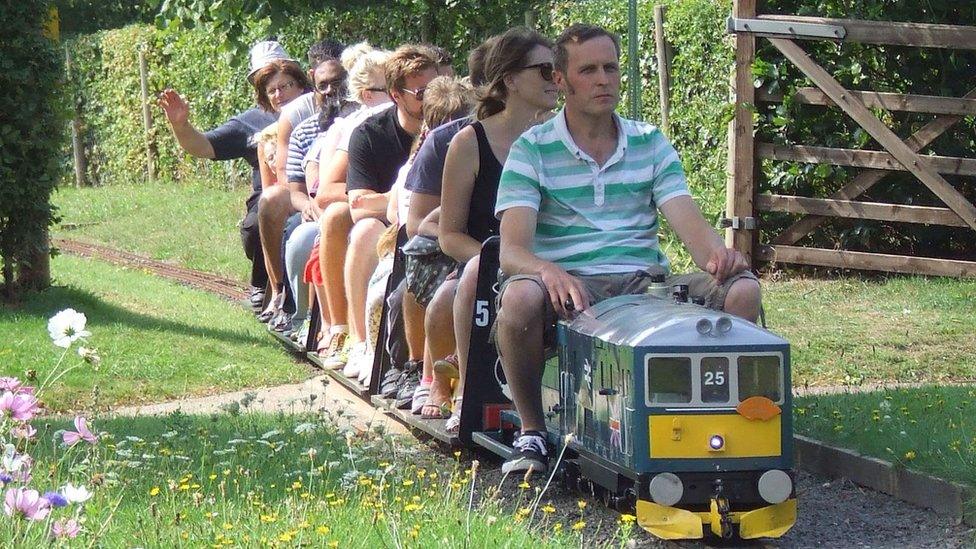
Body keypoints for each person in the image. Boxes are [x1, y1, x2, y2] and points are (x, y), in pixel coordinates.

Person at [494, 24, 761, 475]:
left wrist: (720, 257)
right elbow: (511, 251)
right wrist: (547, 270)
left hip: (644, 285)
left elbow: (692, 230)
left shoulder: (649, 142)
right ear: (560, 80)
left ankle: (712, 423)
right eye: (589, 70)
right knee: (519, 296)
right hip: (570, 287)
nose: (604, 80)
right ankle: (533, 431)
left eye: (611, 68)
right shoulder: (532, 149)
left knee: (742, 291)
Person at [423, 28, 557, 425]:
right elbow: (449, 234)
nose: (557, 79)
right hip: (485, 262)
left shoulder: (562, 137)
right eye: (546, 70)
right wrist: (497, 260)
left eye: (559, 69)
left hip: (552, 261)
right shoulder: (470, 142)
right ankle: (468, 390)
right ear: (511, 79)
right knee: (468, 283)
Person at [157, 41, 306, 313]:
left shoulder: (319, 111)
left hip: (308, 191)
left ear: (297, 79)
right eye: (269, 85)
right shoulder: (249, 122)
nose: (278, 92)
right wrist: (180, 125)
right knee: (258, 222)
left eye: (284, 85)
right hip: (268, 195)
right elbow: (201, 146)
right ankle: (263, 284)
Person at [321, 45, 438, 375]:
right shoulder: (369, 135)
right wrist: (398, 198)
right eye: (421, 92)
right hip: (384, 225)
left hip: (429, 223)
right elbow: (358, 206)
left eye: (437, 88)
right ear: (396, 94)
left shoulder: (448, 131)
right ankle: (360, 342)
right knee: (362, 231)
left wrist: (389, 199)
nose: (431, 100)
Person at [257, 50, 349, 327]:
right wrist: (308, 205)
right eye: (324, 86)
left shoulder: (361, 121)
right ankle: (292, 305)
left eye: (337, 83)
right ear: (314, 86)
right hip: (311, 202)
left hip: (348, 203)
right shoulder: (302, 129)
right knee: (295, 234)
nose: (331, 91)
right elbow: (292, 186)